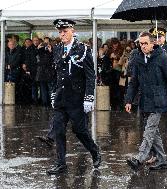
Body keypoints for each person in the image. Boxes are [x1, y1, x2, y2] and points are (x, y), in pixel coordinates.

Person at [47, 19, 101, 174]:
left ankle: (94, 151)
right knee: (58, 130)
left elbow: (91, 75)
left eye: (65, 31)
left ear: (72, 30)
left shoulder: (83, 49)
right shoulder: (57, 48)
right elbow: (55, 73)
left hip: (77, 98)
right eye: (60, 32)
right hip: (61, 98)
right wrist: (53, 92)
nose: (62, 34)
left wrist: (89, 96)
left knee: (79, 130)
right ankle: (61, 163)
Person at [125, 31, 167, 171]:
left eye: (145, 43)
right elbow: (134, 82)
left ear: (153, 43)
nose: (142, 46)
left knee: (149, 130)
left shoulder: (162, 58)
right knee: (154, 133)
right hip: (144, 101)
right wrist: (128, 100)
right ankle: (162, 160)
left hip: (159, 101)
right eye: (140, 43)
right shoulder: (138, 58)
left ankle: (140, 158)